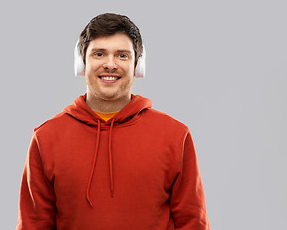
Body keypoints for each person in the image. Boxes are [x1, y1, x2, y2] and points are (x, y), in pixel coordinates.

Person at [16, 13, 210, 230]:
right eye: (99, 54)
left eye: (122, 55)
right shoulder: (46, 138)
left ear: (137, 65)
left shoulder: (175, 136)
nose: (110, 64)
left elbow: (193, 223)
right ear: (81, 63)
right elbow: (33, 225)